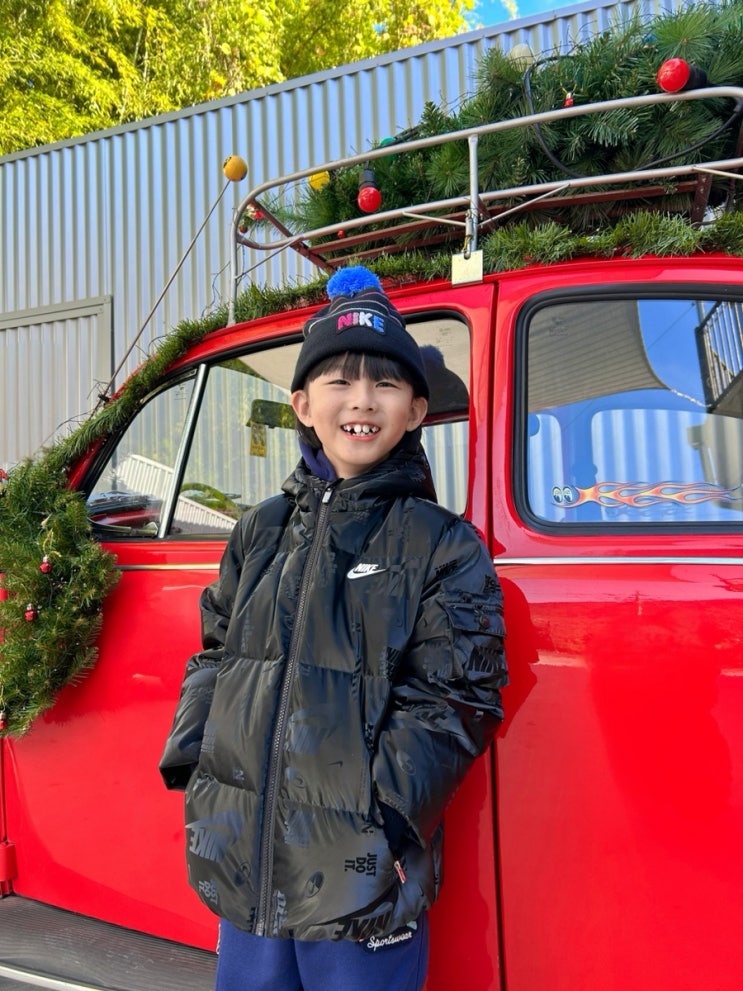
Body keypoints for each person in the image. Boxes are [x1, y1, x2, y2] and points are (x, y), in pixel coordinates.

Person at [159, 265, 508, 991]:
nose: (362, 400)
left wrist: (383, 818)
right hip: (247, 860)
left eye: (386, 384)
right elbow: (216, 650)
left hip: (360, 880)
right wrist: (198, 768)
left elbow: (457, 697)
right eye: (339, 381)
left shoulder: (443, 544)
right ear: (302, 404)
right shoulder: (259, 530)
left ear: (416, 409)